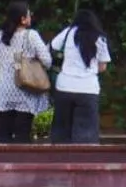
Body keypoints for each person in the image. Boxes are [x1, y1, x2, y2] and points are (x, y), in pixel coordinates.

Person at [0, 1, 52, 142]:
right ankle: (20, 161)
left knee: (3, 132)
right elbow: (47, 61)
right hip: (25, 88)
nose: (31, 17)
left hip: (4, 89)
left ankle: (1, 162)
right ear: (23, 19)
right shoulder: (31, 35)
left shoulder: (0, 36)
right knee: (22, 132)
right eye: (28, 14)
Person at [48, 8, 113, 144]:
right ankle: (84, 162)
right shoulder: (99, 37)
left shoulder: (68, 32)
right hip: (88, 90)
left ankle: (61, 162)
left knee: (62, 130)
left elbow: (51, 47)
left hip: (64, 87)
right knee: (87, 133)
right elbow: (103, 66)